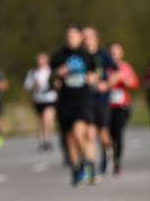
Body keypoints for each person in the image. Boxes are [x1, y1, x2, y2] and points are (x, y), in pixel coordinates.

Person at [50, 25, 97, 186]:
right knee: (69, 139)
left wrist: (93, 79)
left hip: (82, 100)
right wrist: (57, 75)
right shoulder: (58, 56)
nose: (70, 38)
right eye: (68, 35)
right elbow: (49, 78)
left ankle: (88, 163)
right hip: (65, 101)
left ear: (79, 37)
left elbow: (95, 74)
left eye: (73, 35)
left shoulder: (86, 56)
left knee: (79, 133)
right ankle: (77, 169)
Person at [83, 27, 116, 180]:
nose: (86, 40)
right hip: (85, 98)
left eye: (89, 37)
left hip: (101, 99)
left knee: (102, 132)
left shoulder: (103, 55)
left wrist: (106, 84)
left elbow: (116, 72)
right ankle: (91, 165)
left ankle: (108, 153)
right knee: (89, 133)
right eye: (84, 37)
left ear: (96, 39)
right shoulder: (80, 55)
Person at [107, 43, 139, 176]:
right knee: (107, 134)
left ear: (121, 54)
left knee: (118, 134)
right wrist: (111, 81)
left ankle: (117, 162)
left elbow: (135, 84)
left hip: (121, 105)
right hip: (106, 105)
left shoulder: (126, 67)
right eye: (112, 52)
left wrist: (126, 81)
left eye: (117, 52)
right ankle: (106, 157)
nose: (114, 55)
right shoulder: (105, 67)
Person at [23, 53, 58, 153]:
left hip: (49, 98)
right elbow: (26, 86)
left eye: (42, 60)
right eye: (39, 60)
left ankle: (48, 139)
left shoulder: (51, 71)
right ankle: (42, 141)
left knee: (48, 119)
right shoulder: (33, 72)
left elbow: (57, 83)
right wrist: (34, 85)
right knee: (41, 121)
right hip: (38, 99)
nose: (40, 62)